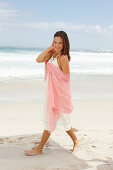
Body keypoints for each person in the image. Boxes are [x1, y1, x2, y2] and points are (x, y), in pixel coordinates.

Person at [24, 31, 79, 156]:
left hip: (58, 95)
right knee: (63, 121)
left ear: (65, 44)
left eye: (60, 43)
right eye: (55, 42)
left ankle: (39, 149)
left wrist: (59, 95)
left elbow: (66, 79)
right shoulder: (51, 55)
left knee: (54, 120)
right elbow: (38, 59)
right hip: (49, 93)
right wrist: (50, 48)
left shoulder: (63, 58)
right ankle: (76, 141)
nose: (57, 45)